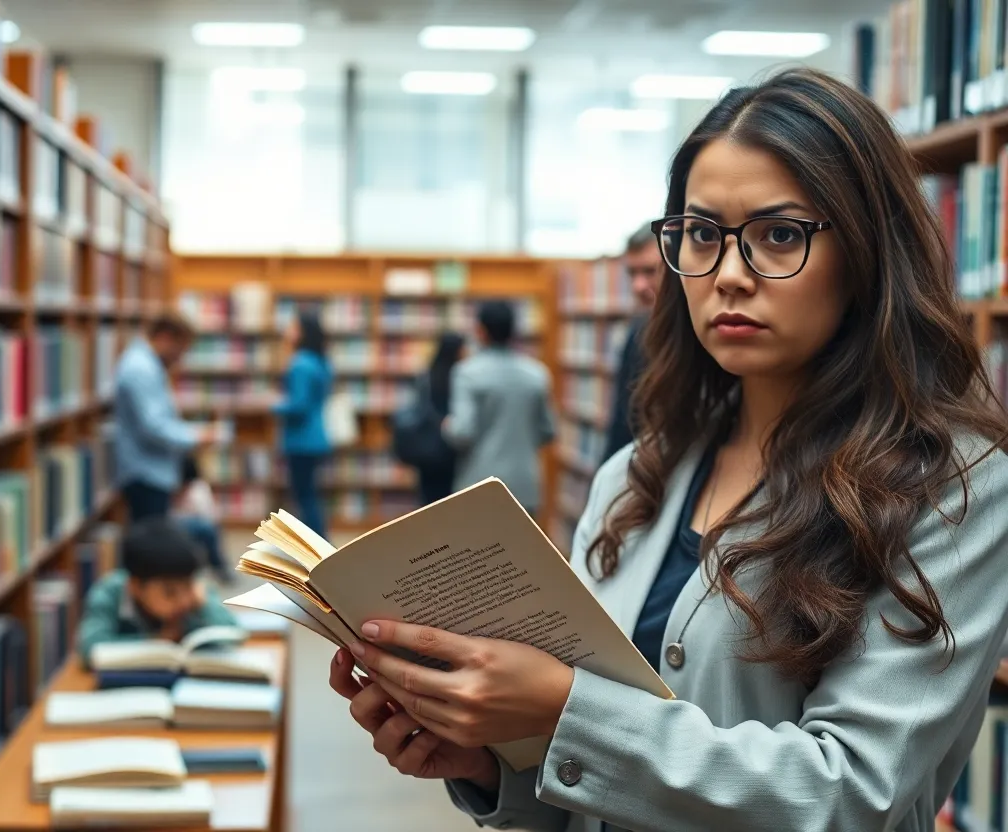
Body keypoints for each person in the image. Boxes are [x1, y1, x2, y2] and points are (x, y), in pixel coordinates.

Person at [328, 67, 1008, 832]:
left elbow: (847, 797)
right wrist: (491, 765)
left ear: (867, 250)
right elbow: (587, 791)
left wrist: (562, 709)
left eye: (780, 236)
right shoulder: (636, 475)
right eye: (702, 235)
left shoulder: (955, 491)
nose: (728, 276)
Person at [442, 301, 555, 517]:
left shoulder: (467, 373)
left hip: (479, 484)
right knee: (521, 548)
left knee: (476, 549)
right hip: (524, 485)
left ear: (480, 331)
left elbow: (463, 432)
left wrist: (447, 426)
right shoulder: (537, 374)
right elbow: (548, 431)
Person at [76, 517, 237, 669]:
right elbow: (90, 649)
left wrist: (205, 605)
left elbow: (233, 635)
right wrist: (156, 642)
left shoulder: (196, 593)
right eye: (170, 592)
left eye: (188, 586)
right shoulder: (109, 593)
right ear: (136, 586)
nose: (182, 600)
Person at [114, 311, 226, 523]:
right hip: (145, 474)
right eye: (180, 349)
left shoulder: (150, 365)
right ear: (165, 338)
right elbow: (154, 426)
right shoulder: (141, 369)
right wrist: (196, 437)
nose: (180, 358)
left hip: (153, 470)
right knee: (153, 542)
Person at [600, 226, 664, 464]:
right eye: (632, 273)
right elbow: (623, 423)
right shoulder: (638, 334)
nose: (638, 286)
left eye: (650, 271)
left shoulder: (707, 336)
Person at [273, 309, 334, 538]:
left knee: (304, 495)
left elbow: (298, 406)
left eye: (293, 327)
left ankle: (318, 546)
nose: (288, 332)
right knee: (310, 493)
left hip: (301, 439)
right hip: (317, 436)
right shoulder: (321, 361)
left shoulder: (299, 364)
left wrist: (274, 404)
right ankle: (319, 542)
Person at [412, 332, 465, 505]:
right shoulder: (462, 377)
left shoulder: (426, 375)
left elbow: (419, 408)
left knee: (428, 502)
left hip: (427, 447)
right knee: (451, 501)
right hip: (452, 449)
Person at [172, 455, 234, 585]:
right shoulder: (169, 488)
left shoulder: (199, 488)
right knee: (207, 529)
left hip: (195, 525)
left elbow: (209, 514)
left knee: (208, 528)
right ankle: (218, 566)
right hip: (177, 526)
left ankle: (217, 566)